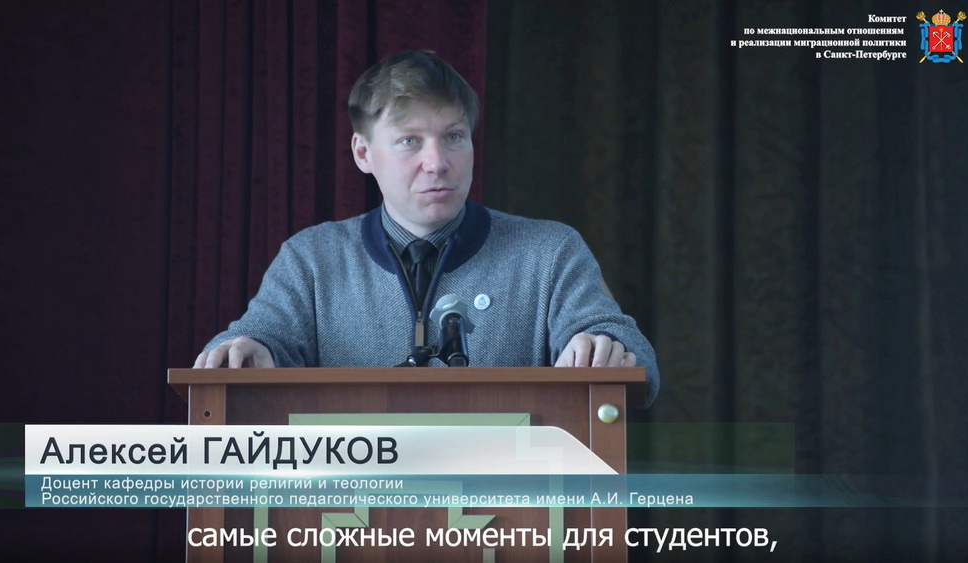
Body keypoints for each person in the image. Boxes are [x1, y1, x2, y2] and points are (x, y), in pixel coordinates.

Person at [194, 50, 659, 406]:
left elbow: (631, 354)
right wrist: (248, 349)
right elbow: (257, 338)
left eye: (453, 137)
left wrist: (604, 344)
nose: (437, 163)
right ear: (363, 154)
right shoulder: (311, 259)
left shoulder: (550, 251)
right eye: (410, 141)